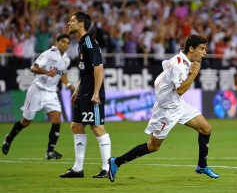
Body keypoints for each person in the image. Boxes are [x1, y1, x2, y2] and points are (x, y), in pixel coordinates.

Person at [108, 34, 220, 182]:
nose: (205, 52)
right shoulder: (179, 63)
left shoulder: (184, 62)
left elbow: (163, 78)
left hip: (178, 104)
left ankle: (202, 165)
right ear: (191, 48)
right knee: (153, 146)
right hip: (166, 111)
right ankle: (116, 162)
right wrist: (195, 73)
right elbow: (180, 89)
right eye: (202, 48)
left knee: (206, 128)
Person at [2, 34, 74, 160]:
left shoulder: (66, 59)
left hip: (51, 92)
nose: (65, 44)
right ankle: (9, 138)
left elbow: (62, 73)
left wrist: (68, 84)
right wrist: (47, 72)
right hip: (37, 90)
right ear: (57, 42)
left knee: (57, 118)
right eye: (63, 41)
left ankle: (50, 151)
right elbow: (33, 67)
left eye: (68, 43)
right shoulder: (49, 53)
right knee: (26, 121)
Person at [59, 11, 111, 179]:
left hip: (92, 93)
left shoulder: (89, 42)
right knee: (76, 126)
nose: (69, 23)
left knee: (97, 127)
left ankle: (107, 167)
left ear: (81, 24)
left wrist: (96, 92)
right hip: (84, 91)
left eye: (72, 20)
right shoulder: (81, 43)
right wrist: (77, 89)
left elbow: (98, 67)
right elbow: (86, 70)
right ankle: (77, 168)